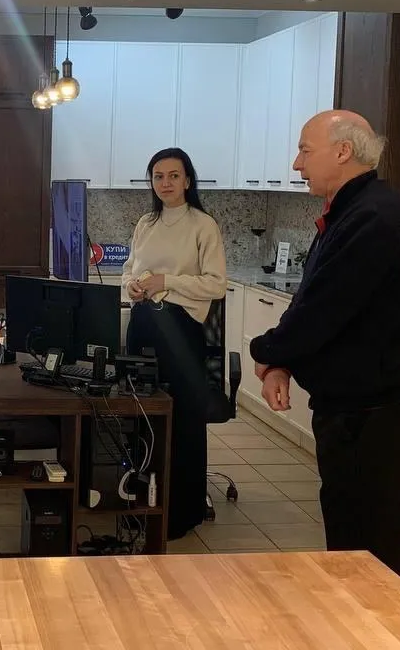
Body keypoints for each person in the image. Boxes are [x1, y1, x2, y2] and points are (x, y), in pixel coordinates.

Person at [249, 110, 400, 575]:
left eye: (305, 151)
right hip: (348, 411)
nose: (297, 164)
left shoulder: (376, 217)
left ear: (343, 151)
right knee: (347, 540)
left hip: (370, 418)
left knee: (367, 556)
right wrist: (281, 362)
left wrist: (265, 353)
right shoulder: (351, 211)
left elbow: (322, 311)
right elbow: (309, 299)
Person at [121, 148, 227, 540]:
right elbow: (129, 270)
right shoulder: (146, 223)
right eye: (158, 176)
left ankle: (180, 513)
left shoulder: (203, 225)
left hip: (182, 332)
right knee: (140, 416)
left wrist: (166, 281)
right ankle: (139, 503)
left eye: (173, 175)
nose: (165, 183)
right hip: (144, 326)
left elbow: (217, 284)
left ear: (187, 180)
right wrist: (132, 286)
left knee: (181, 422)